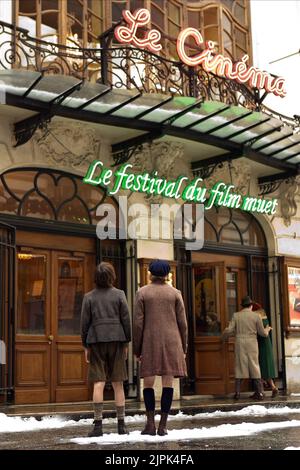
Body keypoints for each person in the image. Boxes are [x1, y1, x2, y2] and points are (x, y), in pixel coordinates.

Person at [133, 259, 188, 436]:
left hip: (150, 341)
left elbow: (138, 324)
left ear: (150, 273)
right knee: (168, 383)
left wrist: (137, 348)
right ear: (167, 275)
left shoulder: (142, 293)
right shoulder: (175, 293)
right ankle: (163, 426)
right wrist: (184, 347)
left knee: (148, 383)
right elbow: (183, 324)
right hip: (172, 342)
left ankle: (150, 425)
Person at [80, 262, 131, 437]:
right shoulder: (120, 295)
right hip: (117, 339)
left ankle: (98, 426)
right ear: (112, 276)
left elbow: (84, 324)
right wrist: (126, 342)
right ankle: (122, 425)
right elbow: (126, 320)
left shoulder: (89, 297)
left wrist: (85, 345)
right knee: (118, 383)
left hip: (96, 340)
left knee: (99, 382)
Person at [222, 295, 272, 400]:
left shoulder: (236, 315)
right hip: (252, 343)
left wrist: (223, 336)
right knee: (254, 366)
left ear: (242, 306)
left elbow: (230, 330)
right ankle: (259, 393)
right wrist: (267, 329)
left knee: (240, 367)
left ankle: (237, 393)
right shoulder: (256, 316)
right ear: (251, 305)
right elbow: (263, 333)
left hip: (240, 342)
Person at [252, 302, 278, 397]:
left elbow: (260, 332)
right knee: (265, 367)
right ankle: (272, 387)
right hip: (266, 344)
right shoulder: (264, 317)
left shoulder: (258, 319)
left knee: (260, 367)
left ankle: (262, 390)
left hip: (261, 345)